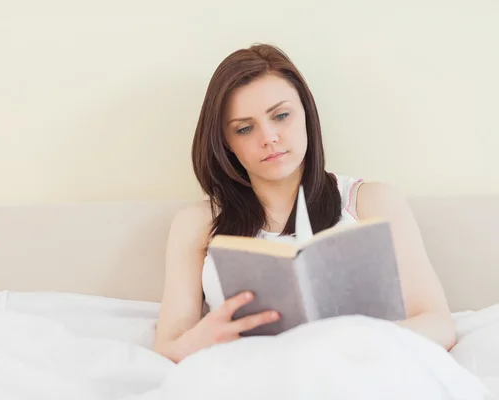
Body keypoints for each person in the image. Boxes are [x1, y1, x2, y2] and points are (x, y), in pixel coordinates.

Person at [152, 43, 456, 363]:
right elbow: (167, 346)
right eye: (244, 128)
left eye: (281, 116)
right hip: (249, 374)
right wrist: (203, 339)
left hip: (359, 369)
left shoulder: (371, 202)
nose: (268, 137)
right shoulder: (197, 223)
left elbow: (438, 324)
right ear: (226, 144)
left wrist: (355, 344)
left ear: (306, 114)